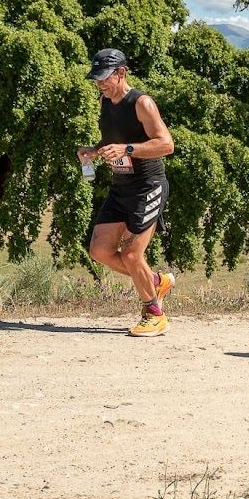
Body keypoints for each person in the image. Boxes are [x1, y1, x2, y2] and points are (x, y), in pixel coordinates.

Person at [78, 48, 177, 337]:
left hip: (148, 187)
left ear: (121, 73)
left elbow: (166, 145)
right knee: (99, 250)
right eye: (97, 79)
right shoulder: (105, 102)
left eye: (105, 78)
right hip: (120, 187)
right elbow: (114, 139)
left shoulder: (142, 103)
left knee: (133, 254)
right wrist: (95, 151)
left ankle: (154, 314)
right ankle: (156, 281)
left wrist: (127, 149)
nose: (100, 84)